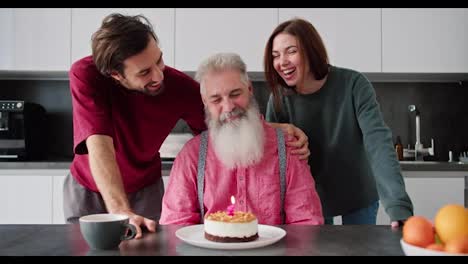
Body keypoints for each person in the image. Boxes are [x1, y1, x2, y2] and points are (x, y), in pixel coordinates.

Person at [64, 13, 310, 239]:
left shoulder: (178, 87)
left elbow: (226, 116)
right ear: (116, 75)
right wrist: (120, 211)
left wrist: (274, 130)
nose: (159, 76)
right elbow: (99, 143)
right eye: (145, 72)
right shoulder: (85, 75)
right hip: (88, 187)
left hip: (145, 187)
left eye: (159, 60)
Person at [263, 18, 413, 227]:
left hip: (358, 195)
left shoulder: (354, 85)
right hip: (308, 201)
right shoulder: (278, 98)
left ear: (311, 50)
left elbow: (378, 143)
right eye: (275, 56)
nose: (282, 61)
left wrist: (398, 207)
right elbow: (271, 155)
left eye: (291, 51)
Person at [159, 52, 324, 225]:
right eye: (216, 99)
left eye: (235, 94)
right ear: (205, 102)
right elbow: (175, 225)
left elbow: (306, 223)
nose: (228, 107)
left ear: (250, 89)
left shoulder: (289, 148)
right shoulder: (191, 157)